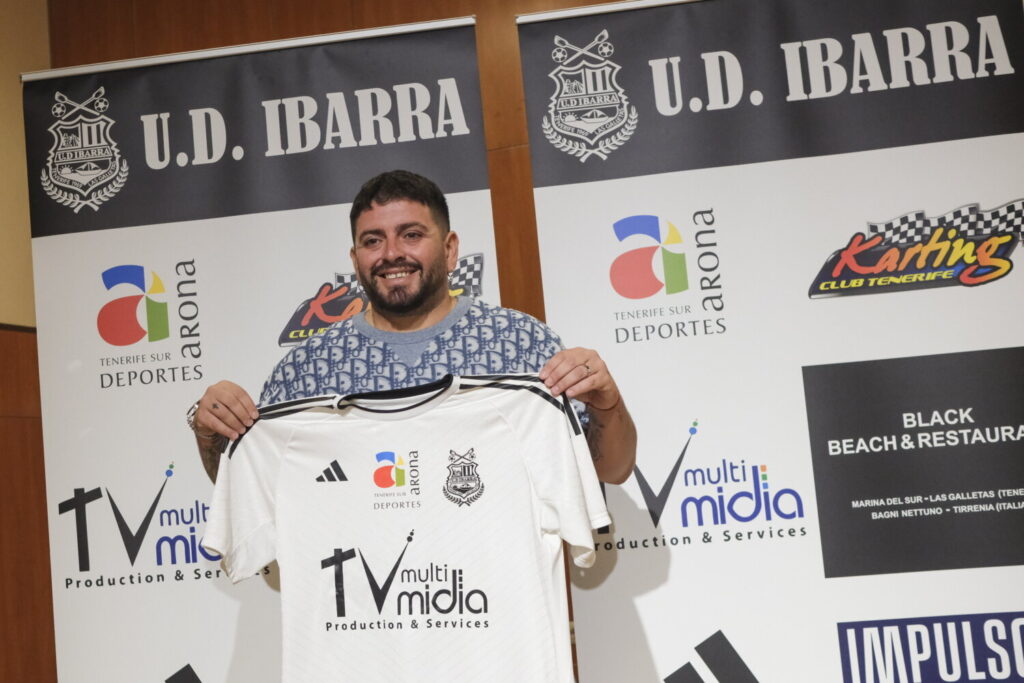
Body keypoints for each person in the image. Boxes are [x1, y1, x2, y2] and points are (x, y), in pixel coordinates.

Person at [188, 170, 636, 484]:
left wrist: (607, 403)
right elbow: (247, 484)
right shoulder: (306, 368)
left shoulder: (521, 343)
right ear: (354, 260)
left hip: (499, 606)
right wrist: (211, 433)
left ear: (450, 248)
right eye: (372, 241)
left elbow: (610, 470)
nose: (390, 253)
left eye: (411, 235)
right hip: (357, 612)